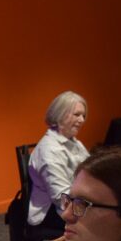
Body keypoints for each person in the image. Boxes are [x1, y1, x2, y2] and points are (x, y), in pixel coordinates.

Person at [27, 91, 89, 231]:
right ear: (60, 114)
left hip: (74, 202)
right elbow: (60, 197)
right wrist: (92, 208)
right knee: (109, 220)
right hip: (52, 213)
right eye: (77, 114)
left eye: (83, 115)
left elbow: (93, 171)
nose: (82, 120)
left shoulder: (74, 142)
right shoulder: (49, 150)